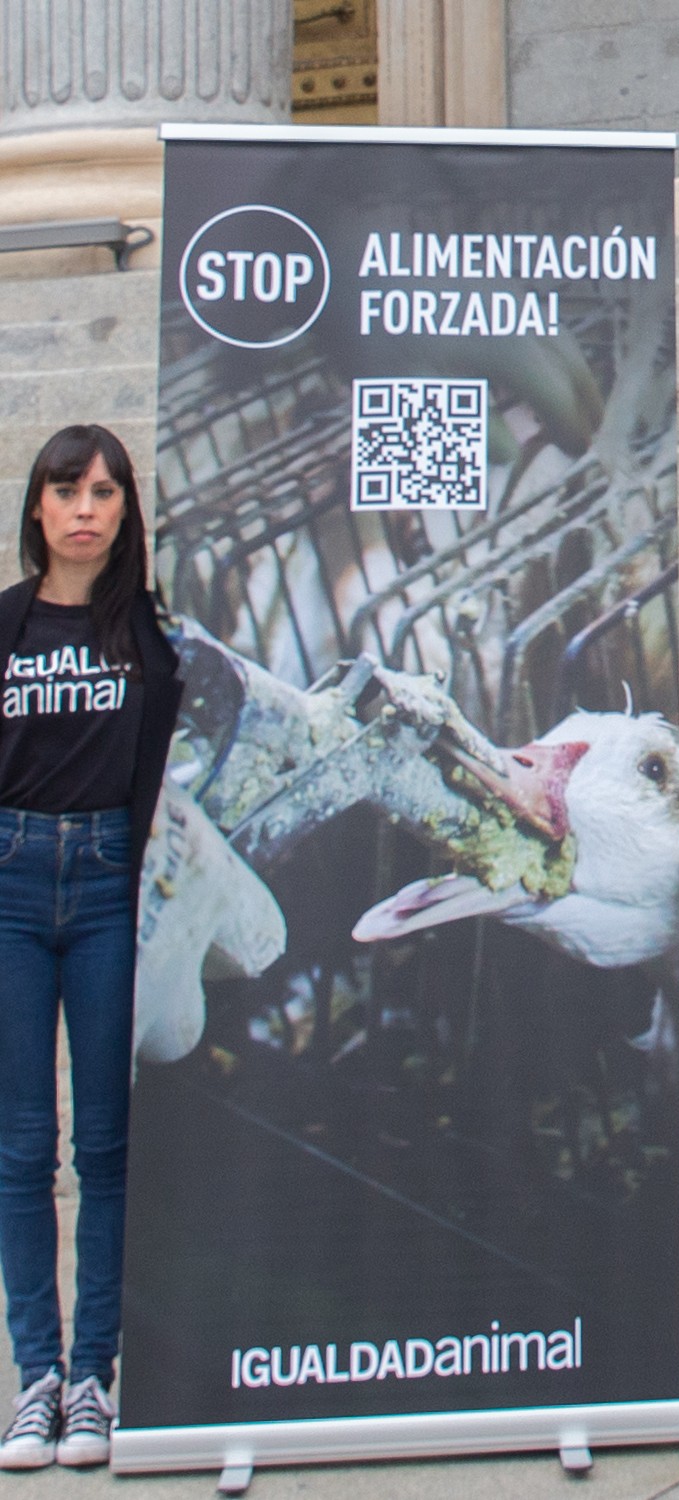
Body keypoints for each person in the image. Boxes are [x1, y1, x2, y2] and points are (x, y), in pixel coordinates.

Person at [0, 426, 181, 1469]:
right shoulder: (5, 626)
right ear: (37, 508)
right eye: (65, 489)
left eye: (103, 490)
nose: (83, 506)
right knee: (25, 1148)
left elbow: (157, 766)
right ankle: (36, 1377)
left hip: (111, 881)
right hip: (15, 882)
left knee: (106, 1147)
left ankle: (94, 1380)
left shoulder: (148, 638)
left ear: (124, 512)